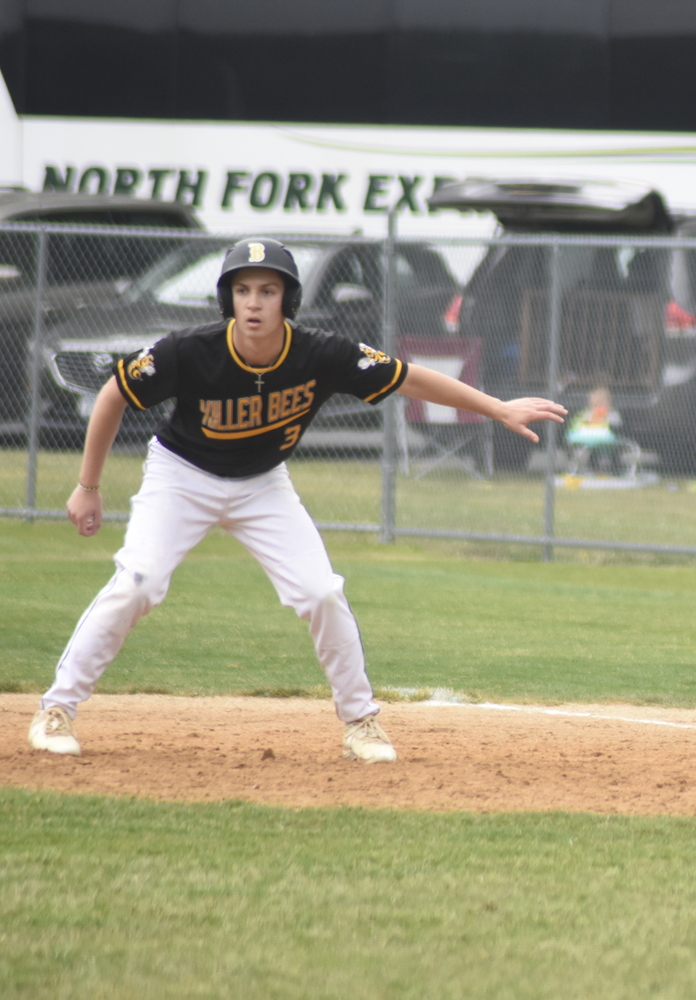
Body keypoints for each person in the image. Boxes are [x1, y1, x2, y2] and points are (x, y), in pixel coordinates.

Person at [27, 238, 566, 763]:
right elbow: (114, 394)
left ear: (288, 299)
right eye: (243, 291)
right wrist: (88, 485)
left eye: (268, 290)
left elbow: (408, 378)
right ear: (228, 299)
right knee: (138, 582)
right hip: (182, 476)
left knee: (320, 593)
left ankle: (360, 721)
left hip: (263, 483)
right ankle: (56, 709)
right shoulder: (189, 349)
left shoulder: (319, 353)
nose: (255, 302)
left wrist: (496, 408)